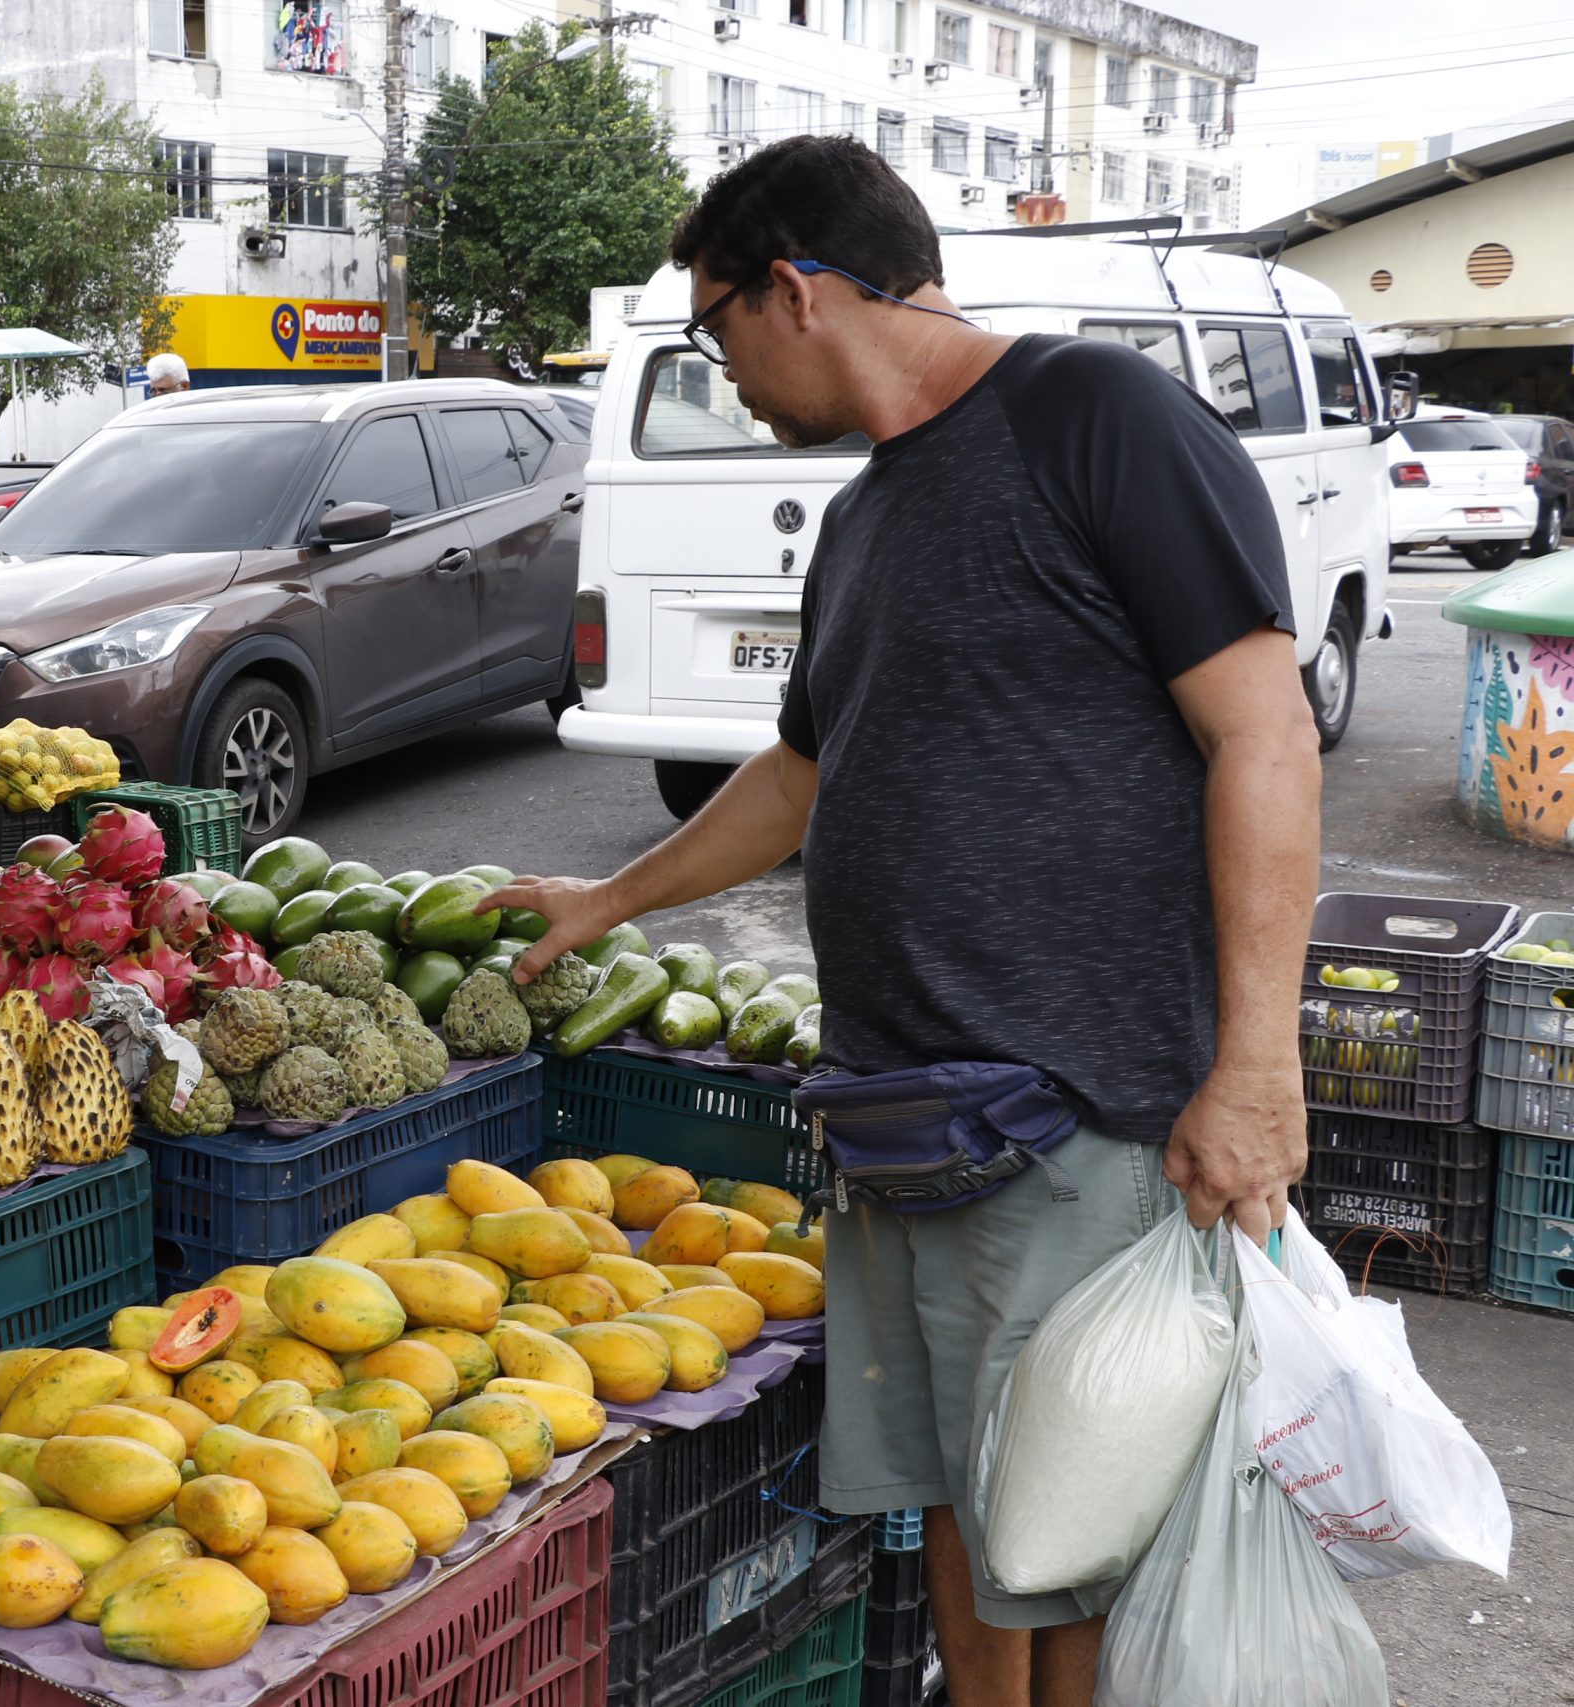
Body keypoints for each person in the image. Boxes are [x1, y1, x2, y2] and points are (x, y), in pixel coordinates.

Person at [482, 136, 1320, 1707]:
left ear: (794, 288)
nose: (722, 372)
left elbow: (1264, 735)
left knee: (1081, 1519)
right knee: (959, 1493)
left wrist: (1255, 1068)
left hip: (1078, 1105)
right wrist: (609, 897)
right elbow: (805, 774)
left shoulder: (1098, 418)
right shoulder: (870, 512)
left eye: (714, 327)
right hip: (899, 1114)